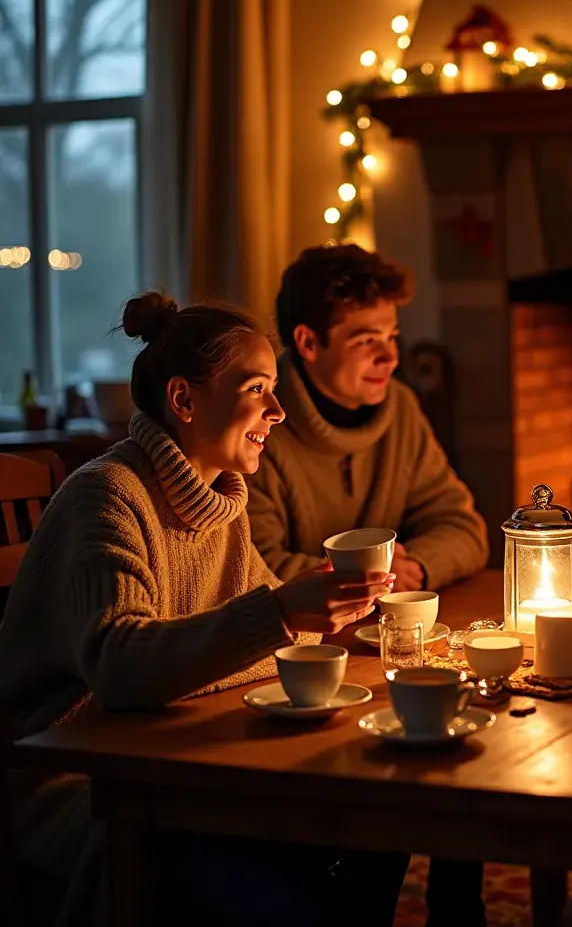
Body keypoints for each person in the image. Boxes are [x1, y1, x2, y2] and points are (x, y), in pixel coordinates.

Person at [0, 293, 407, 927]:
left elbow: (260, 635)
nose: (277, 411)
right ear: (184, 401)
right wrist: (282, 613)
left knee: (384, 812)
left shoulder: (220, 502)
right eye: (256, 389)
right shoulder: (107, 498)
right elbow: (119, 666)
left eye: (274, 390)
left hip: (177, 759)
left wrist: (333, 609)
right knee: (304, 891)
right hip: (85, 784)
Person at [247, 243, 488, 593]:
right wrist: (375, 574)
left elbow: (464, 528)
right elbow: (252, 566)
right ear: (308, 343)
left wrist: (415, 567)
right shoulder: (257, 424)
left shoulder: (400, 408)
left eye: (392, 337)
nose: (390, 357)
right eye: (366, 341)